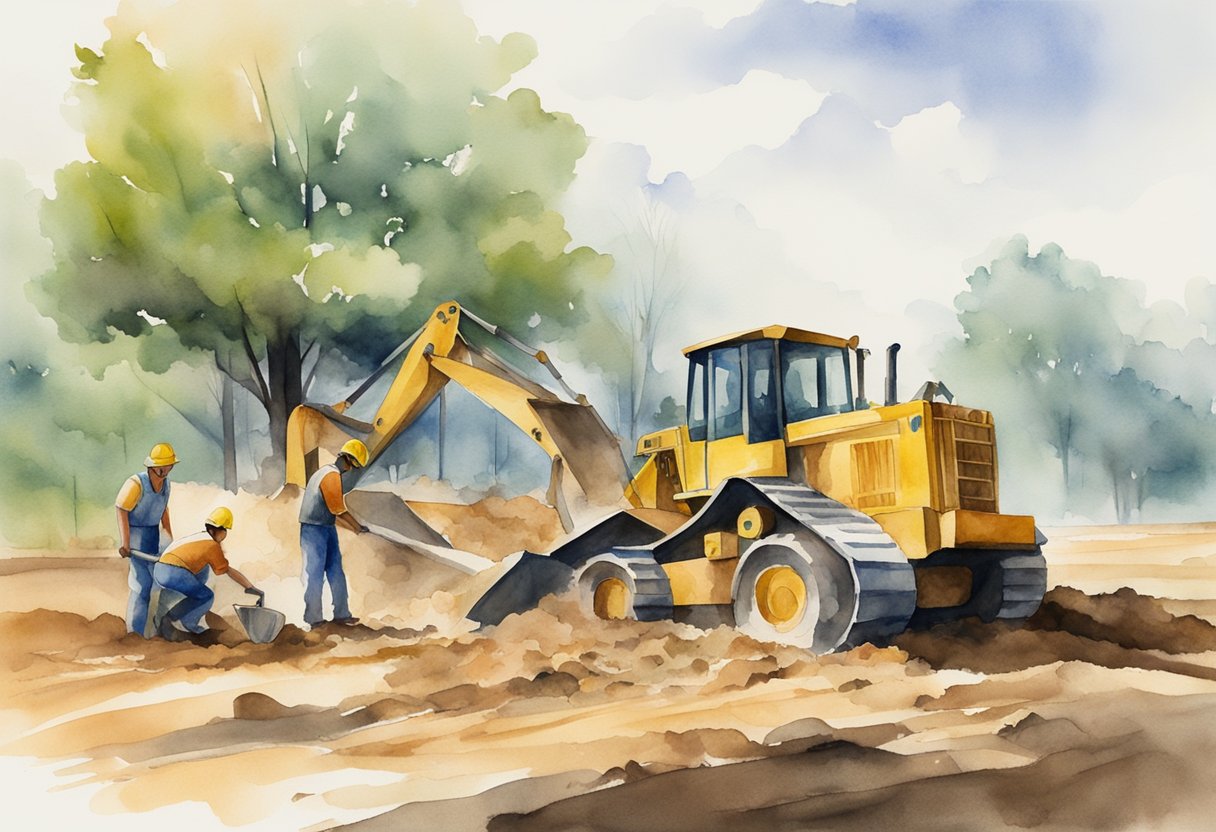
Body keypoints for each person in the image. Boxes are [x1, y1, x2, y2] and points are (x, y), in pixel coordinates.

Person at [153, 506, 261, 639]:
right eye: (225, 530)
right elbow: (228, 570)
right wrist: (250, 587)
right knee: (206, 596)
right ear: (218, 530)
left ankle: (168, 620)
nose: (225, 535)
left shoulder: (199, 538)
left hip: (160, 570)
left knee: (201, 578)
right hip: (173, 572)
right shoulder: (211, 545)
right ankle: (188, 625)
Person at [299, 439, 369, 629]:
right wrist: (357, 527)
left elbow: (331, 512)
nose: (350, 470)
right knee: (314, 573)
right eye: (352, 465)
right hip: (313, 530)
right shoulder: (331, 476)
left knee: (335, 571)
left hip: (325, 527)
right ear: (347, 459)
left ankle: (342, 614)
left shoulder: (325, 473)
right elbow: (338, 510)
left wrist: (353, 527)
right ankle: (313, 619)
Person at [116, 442, 177, 637]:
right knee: (141, 585)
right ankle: (134, 634)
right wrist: (126, 543)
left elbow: (163, 512)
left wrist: (170, 539)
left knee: (159, 584)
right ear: (151, 467)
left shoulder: (166, 485)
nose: (165, 471)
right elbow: (121, 509)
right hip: (136, 537)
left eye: (168, 467)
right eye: (162, 467)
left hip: (153, 537)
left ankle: (153, 632)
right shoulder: (135, 484)